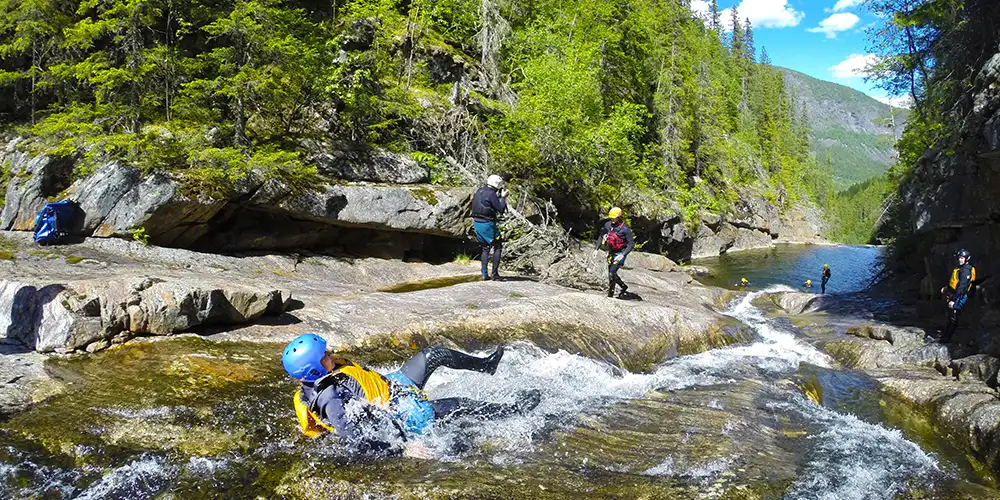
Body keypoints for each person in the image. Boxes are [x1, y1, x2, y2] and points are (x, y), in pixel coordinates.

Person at [283, 333, 540, 456]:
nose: (331, 353)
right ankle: (516, 410)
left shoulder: (323, 371)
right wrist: (404, 449)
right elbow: (359, 442)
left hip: (394, 386)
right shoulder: (332, 400)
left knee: (434, 354)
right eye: (325, 355)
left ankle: (486, 366)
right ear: (315, 368)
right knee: (459, 406)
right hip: (403, 415)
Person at [472, 174, 509, 281]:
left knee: (485, 248)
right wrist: (503, 197)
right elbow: (501, 209)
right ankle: (495, 274)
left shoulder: (480, 190)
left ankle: (484, 273)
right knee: (498, 246)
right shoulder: (492, 194)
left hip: (477, 223)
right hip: (487, 225)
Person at [593, 207, 635, 299]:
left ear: (619, 217)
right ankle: (623, 286)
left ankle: (610, 295)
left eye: (614, 218)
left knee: (612, 272)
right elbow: (601, 235)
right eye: (611, 218)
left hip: (620, 252)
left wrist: (623, 255)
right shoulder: (607, 225)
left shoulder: (625, 229)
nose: (612, 220)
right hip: (611, 252)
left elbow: (631, 244)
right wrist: (596, 249)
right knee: (611, 273)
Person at [939, 249, 976, 344]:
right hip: (953, 293)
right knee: (950, 316)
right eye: (959, 258)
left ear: (966, 259)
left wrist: (954, 300)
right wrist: (947, 288)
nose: (960, 260)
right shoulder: (960, 268)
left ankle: (947, 339)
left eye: (962, 258)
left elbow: (962, 287)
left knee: (954, 318)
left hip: (959, 296)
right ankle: (945, 336)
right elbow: (955, 282)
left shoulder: (966, 270)